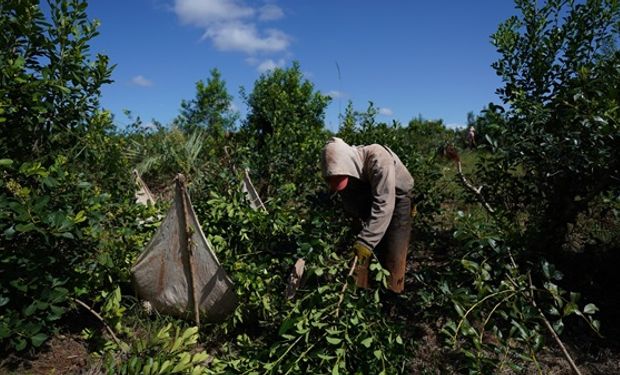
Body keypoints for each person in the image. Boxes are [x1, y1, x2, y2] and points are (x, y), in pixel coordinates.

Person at [320, 137, 414, 293]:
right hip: (370, 194)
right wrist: (357, 231)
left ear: (349, 164)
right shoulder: (346, 173)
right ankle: (360, 293)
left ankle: (393, 296)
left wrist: (366, 241)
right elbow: (350, 203)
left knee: (394, 252)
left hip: (397, 199)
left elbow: (384, 204)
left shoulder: (378, 159)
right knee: (360, 255)